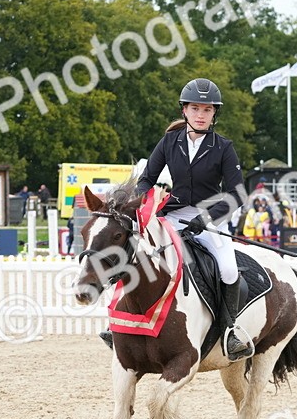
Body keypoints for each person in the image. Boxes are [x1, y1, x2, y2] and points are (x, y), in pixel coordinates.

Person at [98, 77, 251, 361]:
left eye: (207, 110)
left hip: (209, 219)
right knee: (133, 255)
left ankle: (230, 329)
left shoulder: (223, 147)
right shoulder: (170, 142)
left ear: (214, 113)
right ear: (185, 110)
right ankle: (115, 324)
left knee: (229, 270)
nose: (201, 115)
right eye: (195, 109)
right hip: (170, 215)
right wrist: (146, 204)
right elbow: (146, 180)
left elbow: (237, 193)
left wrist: (206, 218)